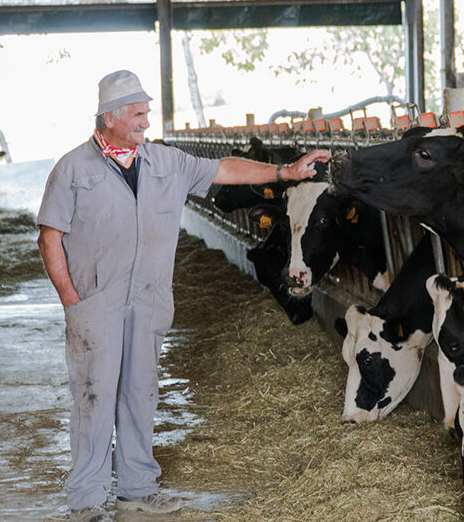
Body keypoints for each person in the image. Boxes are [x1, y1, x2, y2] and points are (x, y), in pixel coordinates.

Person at [37, 70, 329, 522]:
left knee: (140, 392)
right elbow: (50, 237)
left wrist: (284, 172)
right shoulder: (74, 168)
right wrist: (72, 302)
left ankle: (136, 487)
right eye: (136, 113)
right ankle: (87, 499)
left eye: (146, 112)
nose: (145, 120)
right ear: (109, 118)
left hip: (148, 299)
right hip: (96, 304)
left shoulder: (164, 162)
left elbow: (225, 169)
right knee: (93, 396)